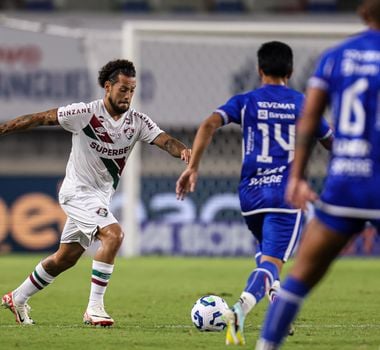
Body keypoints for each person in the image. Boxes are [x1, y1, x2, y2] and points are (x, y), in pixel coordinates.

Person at [1, 59, 191, 327]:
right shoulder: (84, 113)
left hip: (99, 197)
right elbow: (39, 118)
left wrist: (184, 150)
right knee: (114, 235)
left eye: (132, 90)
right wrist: (4, 128)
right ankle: (94, 308)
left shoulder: (137, 121)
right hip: (77, 192)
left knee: (65, 258)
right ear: (108, 87)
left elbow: (166, 140)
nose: (128, 95)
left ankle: (17, 298)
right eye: (123, 89)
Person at [176, 41, 333, 345]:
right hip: (286, 196)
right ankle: (240, 309)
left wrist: (193, 167)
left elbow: (209, 124)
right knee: (272, 263)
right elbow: (331, 142)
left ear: (260, 71)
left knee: (265, 251)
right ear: (291, 70)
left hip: (250, 196)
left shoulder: (246, 101)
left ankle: (275, 302)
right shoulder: (303, 103)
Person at [256, 1, 380, 349]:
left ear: (363, 12)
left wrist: (296, 177)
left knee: (298, 279)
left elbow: (309, 120)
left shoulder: (337, 56)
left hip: (346, 182)